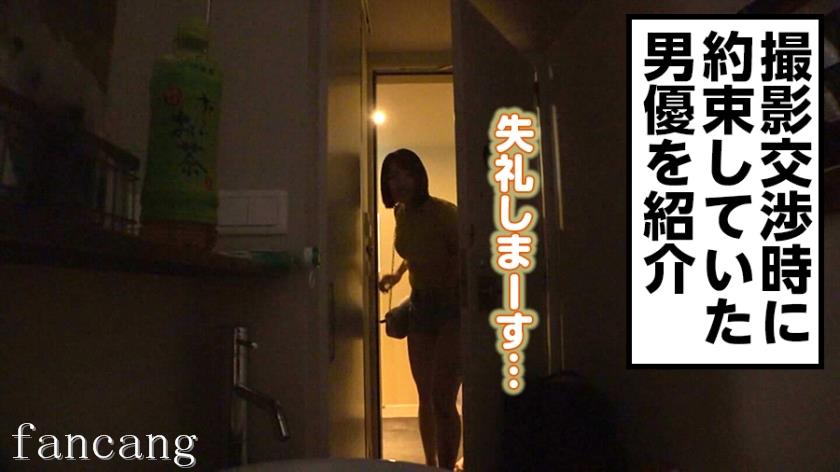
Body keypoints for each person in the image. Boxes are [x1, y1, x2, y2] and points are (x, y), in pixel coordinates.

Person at [378, 148, 461, 469]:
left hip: (452, 308)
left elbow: (462, 254)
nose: (399, 182)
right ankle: (430, 465)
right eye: (392, 176)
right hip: (420, 307)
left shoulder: (444, 213)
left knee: (442, 397)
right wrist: (397, 275)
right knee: (425, 396)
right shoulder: (400, 213)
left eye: (405, 174)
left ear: (418, 177)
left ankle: (447, 466)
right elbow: (414, 251)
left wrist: (448, 285)